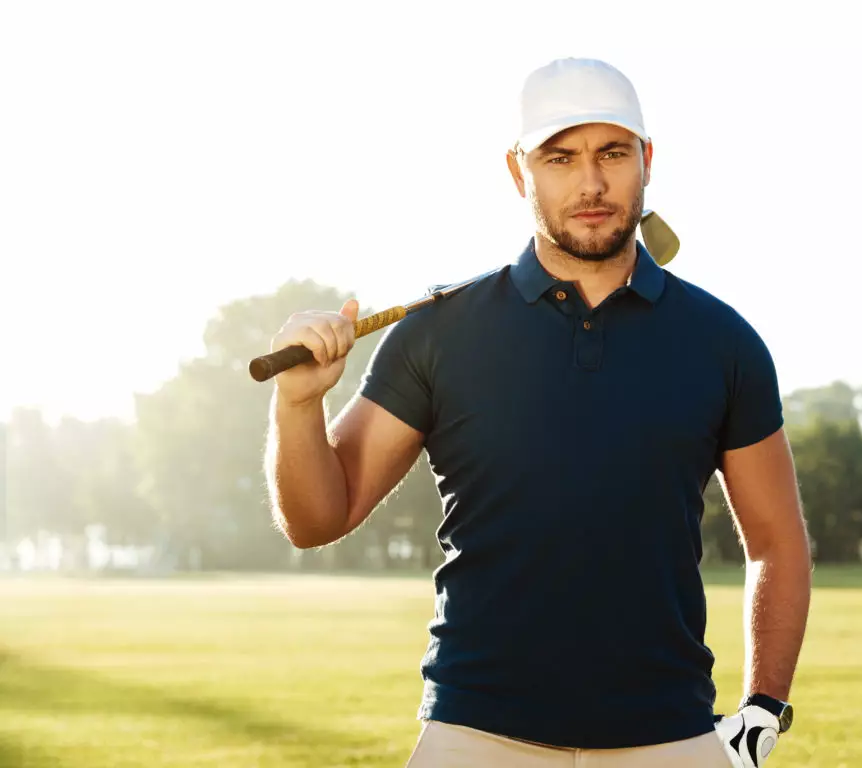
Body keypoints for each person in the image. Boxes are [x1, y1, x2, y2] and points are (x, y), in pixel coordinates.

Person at [263, 57, 812, 767]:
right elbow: (316, 520)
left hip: (671, 734)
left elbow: (776, 541)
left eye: (612, 154)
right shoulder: (438, 332)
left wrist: (764, 706)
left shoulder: (723, 341)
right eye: (560, 158)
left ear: (646, 161)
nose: (590, 183)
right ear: (520, 173)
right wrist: (301, 405)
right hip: (475, 734)